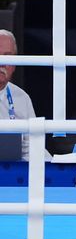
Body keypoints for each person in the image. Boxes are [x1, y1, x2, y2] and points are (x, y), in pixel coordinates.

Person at [0, 29, 43, 161]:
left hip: (12, 172)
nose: (1, 63)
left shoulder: (21, 98)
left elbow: (32, 148)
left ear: (14, 64)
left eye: (7, 56)